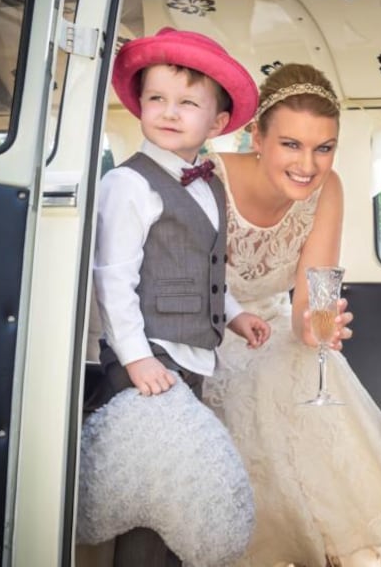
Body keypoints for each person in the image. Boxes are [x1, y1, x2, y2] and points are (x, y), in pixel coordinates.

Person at [201, 62, 381, 567]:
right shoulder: (210, 180)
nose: (308, 164)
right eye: (291, 144)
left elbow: (311, 301)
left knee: (308, 367)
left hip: (277, 327)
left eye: (323, 148)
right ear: (256, 136)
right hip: (207, 331)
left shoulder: (329, 188)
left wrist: (316, 326)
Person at [89, 28, 271, 566]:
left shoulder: (208, 183)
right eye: (156, 99)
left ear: (216, 123)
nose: (169, 112)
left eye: (187, 103)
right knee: (151, 497)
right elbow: (112, 279)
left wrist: (234, 315)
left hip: (191, 359)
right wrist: (137, 358)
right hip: (148, 360)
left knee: (180, 500)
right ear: (140, 105)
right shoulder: (128, 185)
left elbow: (203, 267)